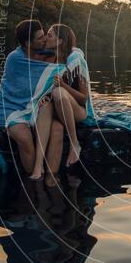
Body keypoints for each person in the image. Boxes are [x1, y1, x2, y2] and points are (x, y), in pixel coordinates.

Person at [0, 20, 65, 183]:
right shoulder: (15, 58)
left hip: (36, 107)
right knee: (25, 138)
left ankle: (51, 177)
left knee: (58, 128)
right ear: (27, 43)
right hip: (11, 107)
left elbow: (67, 58)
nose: (45, 39)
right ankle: (35, 182)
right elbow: (51, 73)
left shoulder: (47, 53)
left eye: (44, 35)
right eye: (40, 38)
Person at [43, 24, 96, 167]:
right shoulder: (49, 60)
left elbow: (84, 98)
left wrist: (64, 86)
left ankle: (74, 144)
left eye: (49, 35)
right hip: (56, 108)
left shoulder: (76, 61)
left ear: (60, 41)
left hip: (78, 111)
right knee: (55, 127)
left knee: (58, 92)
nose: (45, 38)